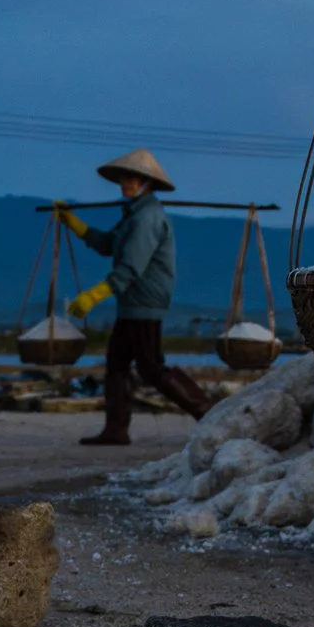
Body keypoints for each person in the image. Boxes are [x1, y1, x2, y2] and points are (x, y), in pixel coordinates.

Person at [58, 148, 210, 444]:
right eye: (124, 178)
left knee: (151, 367)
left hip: (145, 303)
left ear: (146, 183)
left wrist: (94, 296)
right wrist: (74, 223)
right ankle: (116, 428)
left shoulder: (148, 219)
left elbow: (130, 267)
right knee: (117, 363)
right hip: (131, 303)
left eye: (131, 178)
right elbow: (107, 245)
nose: (124, 183)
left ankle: (207, 411)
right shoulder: (133, 216)